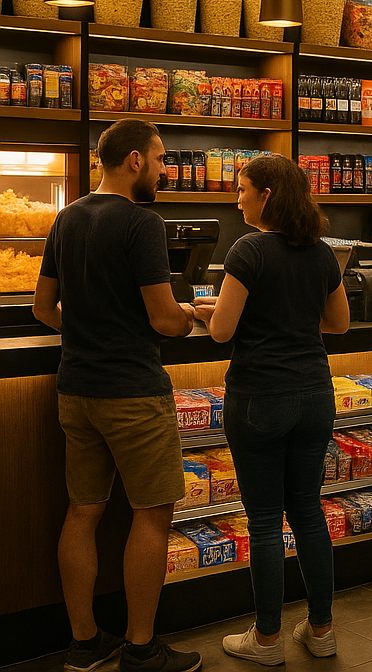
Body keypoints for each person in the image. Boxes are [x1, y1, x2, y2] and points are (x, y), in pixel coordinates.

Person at [31, 119, 202, 672]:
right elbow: (162, 318)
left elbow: (41, 308)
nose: (162, 169)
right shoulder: (142, 223)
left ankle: (84, 645)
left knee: (83, 511)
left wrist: (88, 334)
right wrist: (191, 319)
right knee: (152, 514)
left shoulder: (66, 216)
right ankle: (142, 648)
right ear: (133, 160)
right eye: (158, 159)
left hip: (75, 388)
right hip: (132, 391)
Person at [201, 154, 350, 663]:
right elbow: (339, 324)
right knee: (308, 512)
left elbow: (222, 330)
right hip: (314, 393)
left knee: (264, 521)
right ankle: (322, 630)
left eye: (242, 189)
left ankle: (266, 640)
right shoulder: (321, 252)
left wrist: (216, 314)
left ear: (266, 195)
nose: (236, 198)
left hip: (259, 397)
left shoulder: (248, 250)